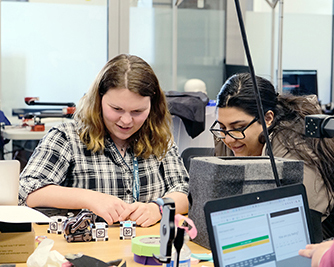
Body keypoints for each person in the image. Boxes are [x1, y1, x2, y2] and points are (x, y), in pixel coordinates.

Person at [19, 54, 189, 227]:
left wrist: (158, 208)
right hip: (84, 250)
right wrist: (89, 198)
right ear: (98, 100)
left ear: (152, 106)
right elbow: (27, 190)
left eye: (138, 111)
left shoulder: (159, 138)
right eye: (116, 109)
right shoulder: (67, 137)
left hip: (147, 247)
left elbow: (184, 192)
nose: (126, 121)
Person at [211, 73, 334, 225]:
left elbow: (296, 220)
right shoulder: (225, 137)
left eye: (239, 128)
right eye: (222, 127)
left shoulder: (294, 148)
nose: (228, 139)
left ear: (268, 119)